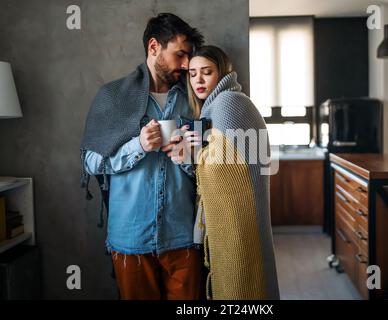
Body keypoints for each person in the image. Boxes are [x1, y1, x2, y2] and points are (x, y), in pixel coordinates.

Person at [80, 13, 204, 300]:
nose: (187, 65)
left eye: (190, 56)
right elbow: (90, 162)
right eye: (180, 54)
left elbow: (209, 167)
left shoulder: (193, 99)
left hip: (183, 236)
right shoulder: (112, 97)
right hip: (130, 239)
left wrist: (187, 157)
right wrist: (138, 146)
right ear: (153, 47)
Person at [170, 45, 280, 300]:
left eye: (206, 72)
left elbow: (228, 165)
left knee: (241, 281)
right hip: (239, 212)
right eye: (193, 73)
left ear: (222, 73)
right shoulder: (213, 107)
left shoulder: (229, 103)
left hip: (240, 217)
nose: (198, 79)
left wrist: (193, 153)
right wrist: (190, 154)